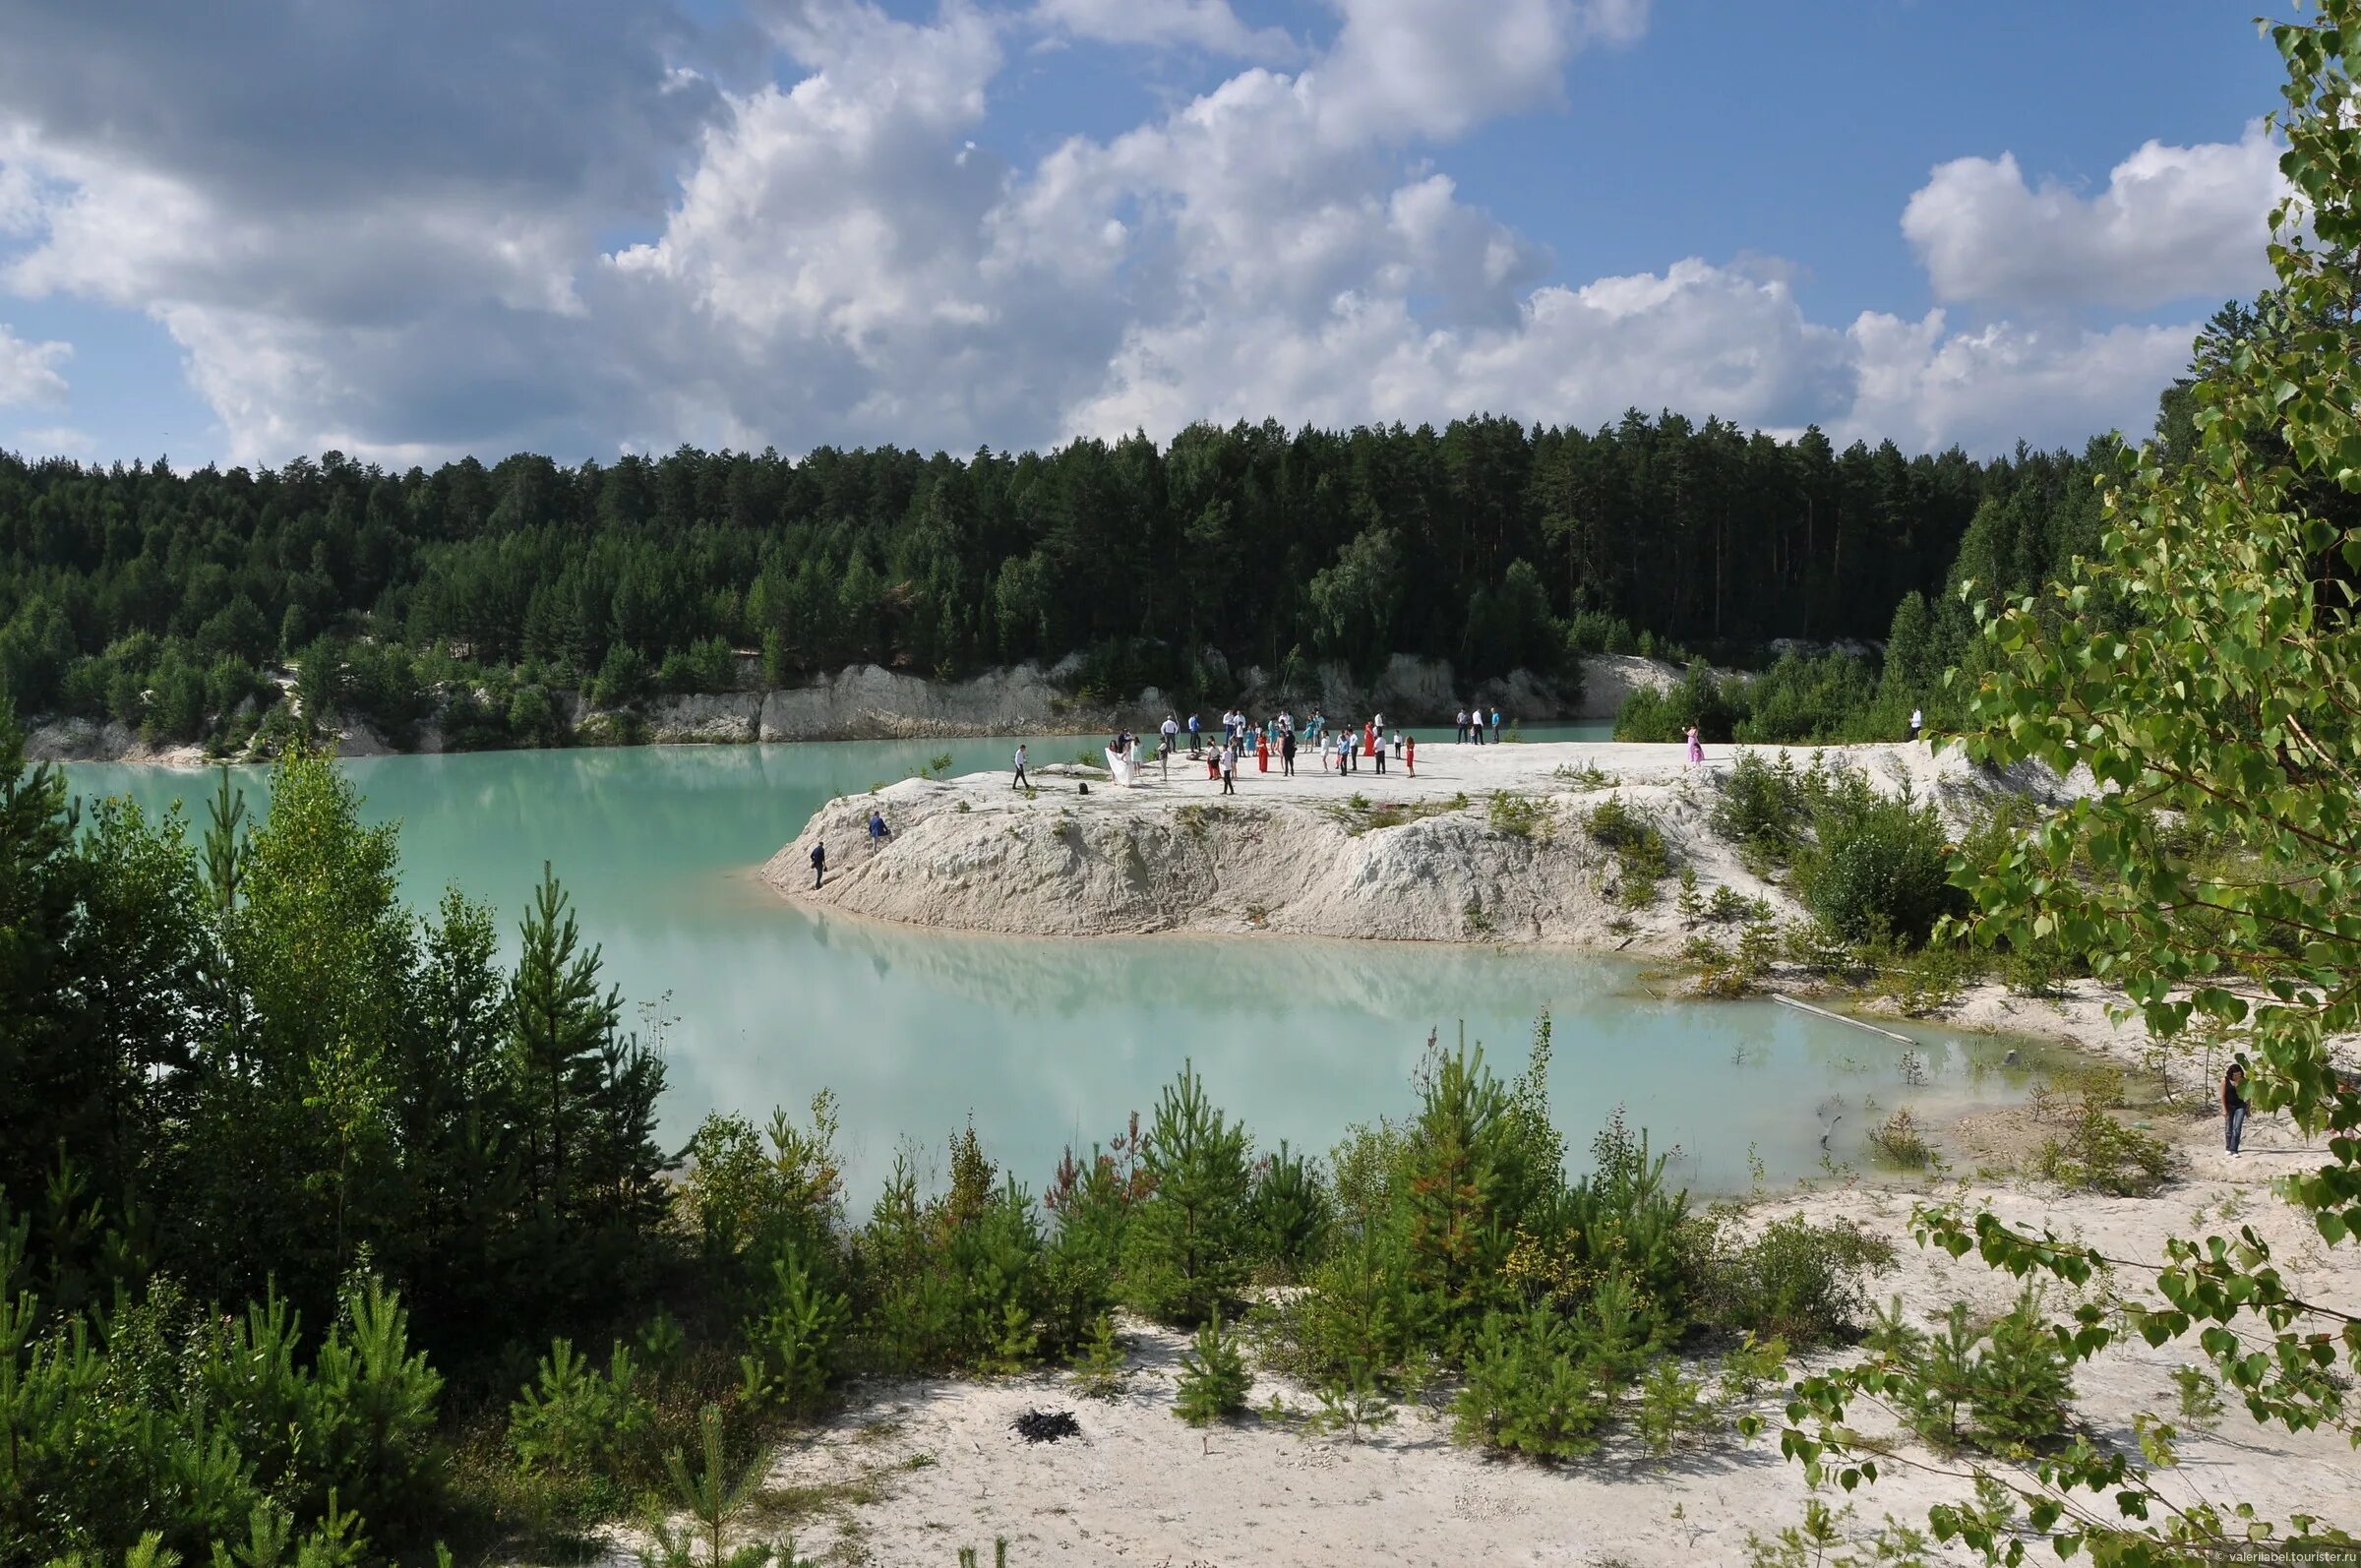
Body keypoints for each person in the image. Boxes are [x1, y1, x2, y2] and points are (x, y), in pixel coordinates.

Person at [2222, 1059, 2249, 1155]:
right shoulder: (2225, 1080)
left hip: (2240, 1106)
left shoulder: (2245, 1081)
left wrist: (2248, 1109)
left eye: (2239, 1074)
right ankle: (2228, 1147)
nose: (2237, 1076)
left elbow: (2248, 1096)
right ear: (2231, 1074)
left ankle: (2234, 1149)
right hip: (2229, 1106)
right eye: (2235, 1074)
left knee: (2237, 1128)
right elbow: (2222, 1096)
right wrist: (2224, 1109)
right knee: (2229, 1128)